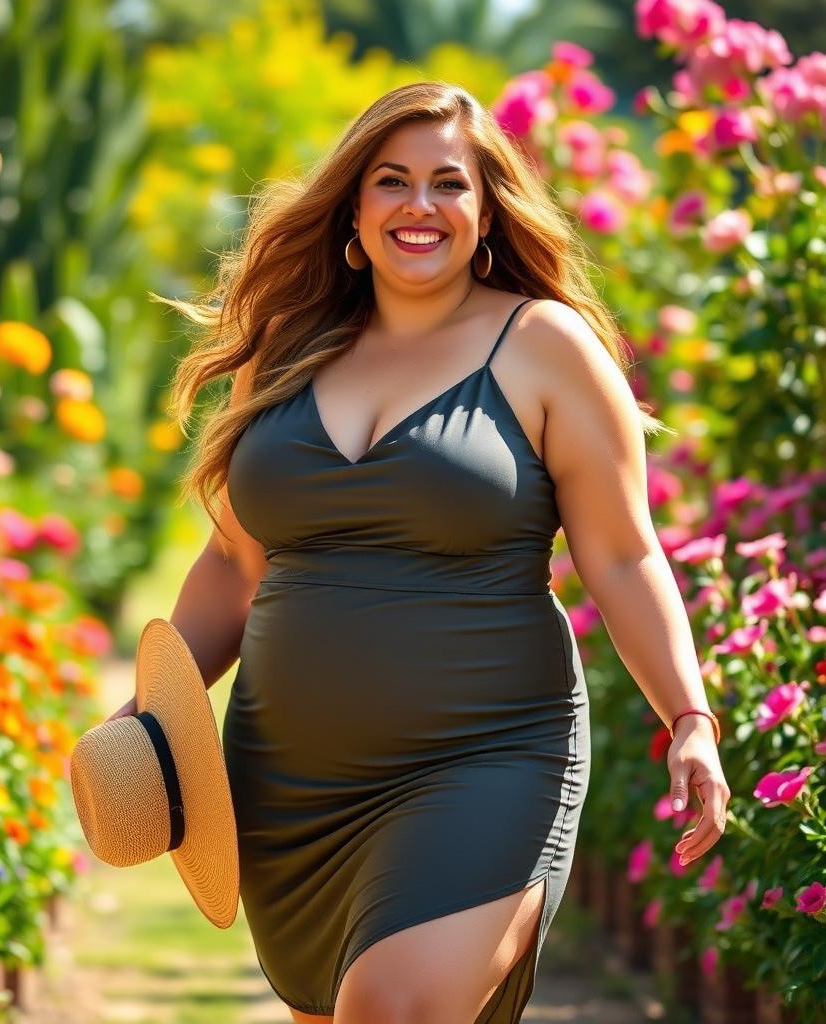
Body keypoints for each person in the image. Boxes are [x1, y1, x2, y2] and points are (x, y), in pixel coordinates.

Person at [117, 80, 731, 1024]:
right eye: (392, 181)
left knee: (393, 1009)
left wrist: (689, 715)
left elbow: (623, 557)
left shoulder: (544, 347)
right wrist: (151, 714)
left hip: (484, 760)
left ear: (486, 212)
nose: (420, 205)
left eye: (449, 184)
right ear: (353, 212)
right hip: (290, 787)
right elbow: (237, 566)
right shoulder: (290, 349)